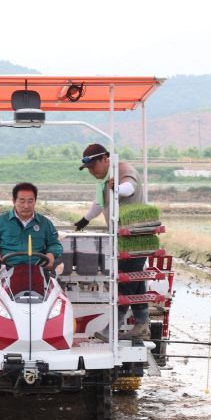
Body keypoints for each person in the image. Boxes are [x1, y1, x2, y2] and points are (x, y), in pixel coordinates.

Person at [74, 143, 149, 341]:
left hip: (135, 236)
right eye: (88, 169)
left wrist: (117, 186)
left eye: (93, 167)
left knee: (125, 281)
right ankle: (142, 323)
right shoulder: (104, 180)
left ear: (105, 159)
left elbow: (129, 188)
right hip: (122, 237)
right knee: (136, 280)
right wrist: (85, 220)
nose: (91, 172)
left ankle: (113, 328)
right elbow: (100, 203)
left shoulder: (123, 170)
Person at [0, 182, 62, 336]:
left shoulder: (45, 223)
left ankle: (53, 332)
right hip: (5, 271)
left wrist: (51, 254)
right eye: (22, 201)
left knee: (58, 290)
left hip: (37, 271)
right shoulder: (0, 221)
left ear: (35, 201)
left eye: (30, 201)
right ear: (14, 201)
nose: (26, 205)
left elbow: (55, 244)